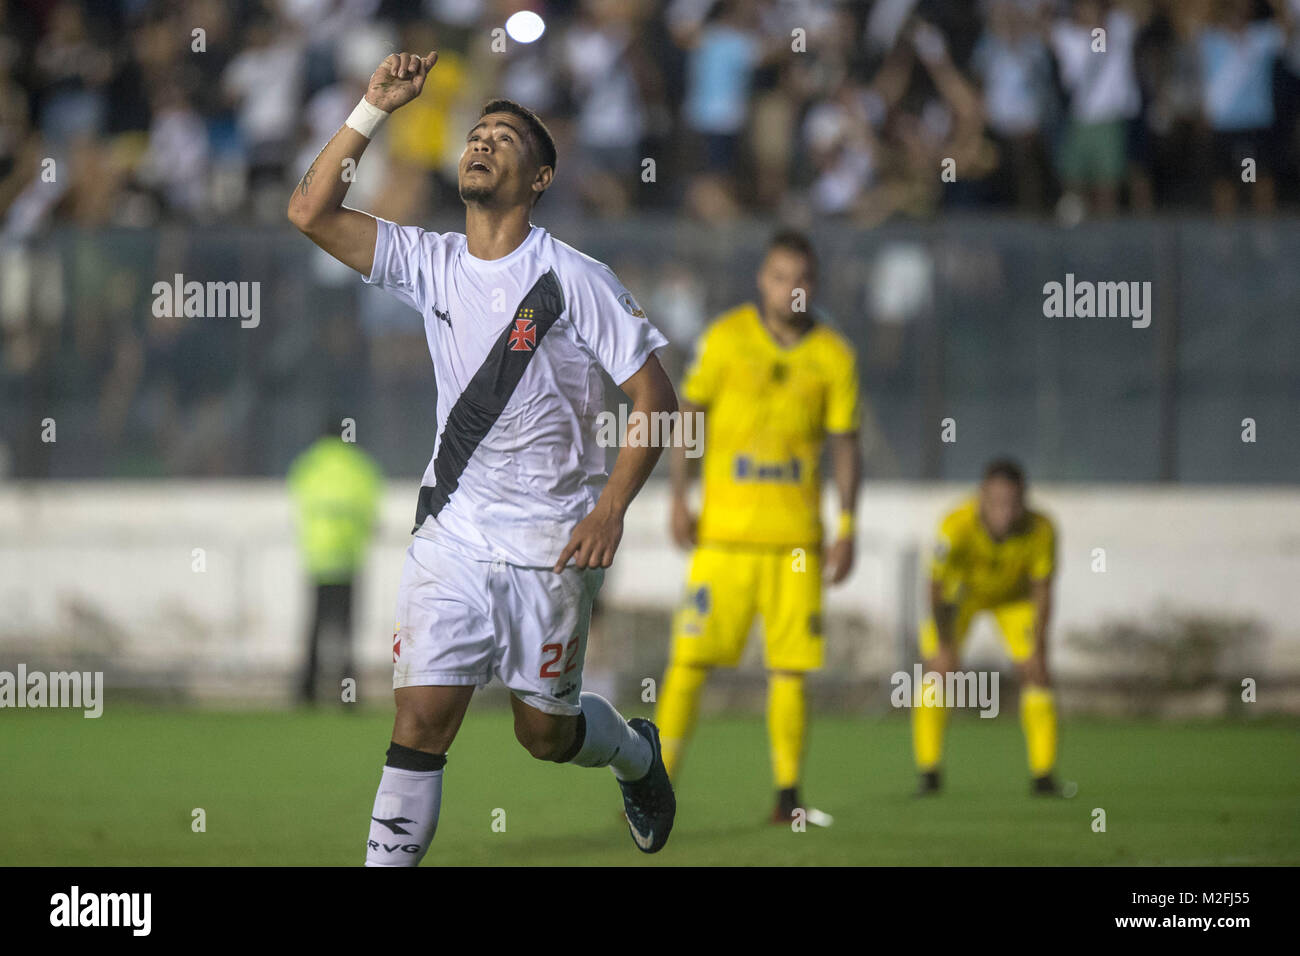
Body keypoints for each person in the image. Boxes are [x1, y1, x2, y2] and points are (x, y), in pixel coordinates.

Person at [287, 51, 679, 864]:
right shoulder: (430, 260)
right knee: (421, 723)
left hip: (554, 543)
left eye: (505, 138)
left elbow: (656, 399)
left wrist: (610, 509)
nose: (483, 143)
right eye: (477, 133)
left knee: (544, 733)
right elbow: (311, 212)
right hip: (454, 536)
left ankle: (636, 754)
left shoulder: (575, 279)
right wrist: (372, 108)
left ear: (538, 180)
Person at [655, 230, 861, 825]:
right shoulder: (724, 339)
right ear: (761, 281)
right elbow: (689, 420)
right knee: (689, 662)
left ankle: (788, 797)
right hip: (722, 535)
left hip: (797, 542)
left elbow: (847, 446)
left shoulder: (834, 356)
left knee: (789, 669)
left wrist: (847, 525)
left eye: (801, 278)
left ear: (813, 285)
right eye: (779, 276)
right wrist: (677, 498)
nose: (790, 289)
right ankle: (657, 784)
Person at [912, 459, 1061, 796]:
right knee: (936, 673)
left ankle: (1043, 776)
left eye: (1013, 503)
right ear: (981, 497)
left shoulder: (1042, 530)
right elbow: (934, 586)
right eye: (996, 502)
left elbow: (1043, 591)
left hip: (1013, 600)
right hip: (960, 596)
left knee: (1037, 673)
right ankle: (929, 773)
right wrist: (945, 646)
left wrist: (1038, 646)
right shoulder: (955, 525)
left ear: (1025, 499)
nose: (1004, 513)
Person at [287, 423, 383, 704]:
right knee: (347, 629)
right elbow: (371, 512)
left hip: (318, 556)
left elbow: (299, 503)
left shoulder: (307, 464)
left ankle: (307, 691)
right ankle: (348, 694)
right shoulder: (361, 466)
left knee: (315, 625)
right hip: (349, 556)